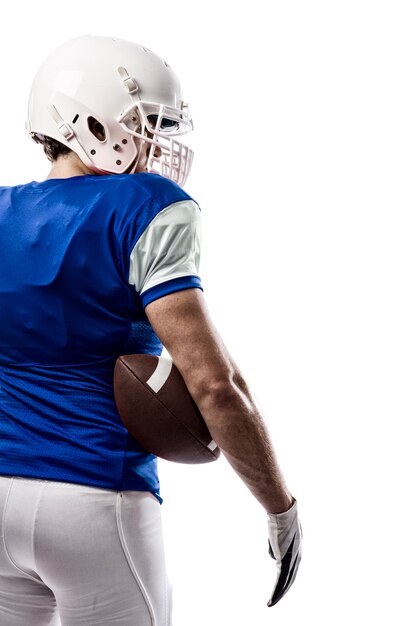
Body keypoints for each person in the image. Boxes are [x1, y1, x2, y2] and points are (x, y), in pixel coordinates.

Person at [0, 35, 302, 625]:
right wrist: (279, 507)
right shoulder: (145, 203)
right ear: (89, 120)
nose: (155, 142)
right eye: (144, 124)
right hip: (94, 493)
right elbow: (216, 385)